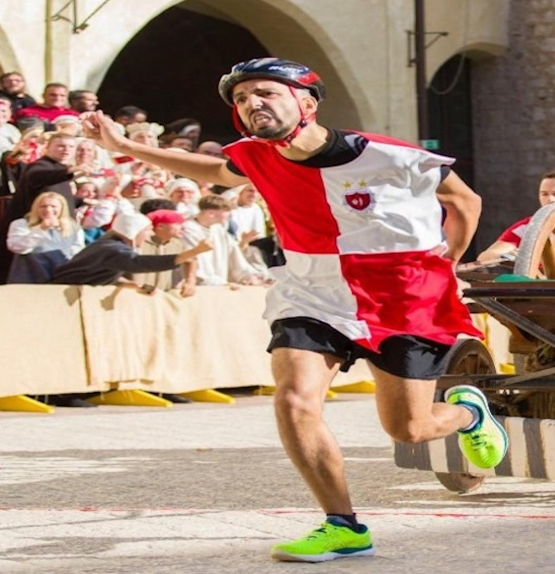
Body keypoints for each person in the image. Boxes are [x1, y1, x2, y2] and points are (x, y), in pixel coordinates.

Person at [80, 57, 506, 563]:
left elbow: (465, 201)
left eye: (265, 92)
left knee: (408, 429)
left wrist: (448, 260)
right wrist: (127, 148)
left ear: (306, 101)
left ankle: (467, 411)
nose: (251, 103)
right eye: (241, 98)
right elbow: (218, 171)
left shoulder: (387, 154)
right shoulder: (257, 156)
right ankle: (342, 525)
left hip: (403, 295)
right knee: (294, 400)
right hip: (311, 290)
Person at [51, 211, 210, 286]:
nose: (150, 234)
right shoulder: (113, 249)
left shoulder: (107, 246)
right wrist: (196, 251)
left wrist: (128, 284)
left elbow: (97, 273)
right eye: (147, 230)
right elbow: (139, 263)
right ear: (133, 231)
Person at [5, 191, 86, 282]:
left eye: (53, 206)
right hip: (29, 278)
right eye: (43, 206)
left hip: (59, 278)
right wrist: (41, 230)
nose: (48, 210)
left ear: (61, 208)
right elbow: (17, 247)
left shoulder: (73, 227)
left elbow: (77, 252)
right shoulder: (21, 224)